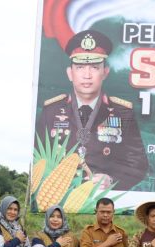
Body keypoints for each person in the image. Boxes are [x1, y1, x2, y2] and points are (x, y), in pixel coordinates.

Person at [35, 29, 148, 191]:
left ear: (105, 72)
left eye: (94, 67)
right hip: (60, 198)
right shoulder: (51, 111)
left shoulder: (122, 112)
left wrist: (112, 180)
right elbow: (38, 159)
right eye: (80, 67)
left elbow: (138, 163)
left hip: (102, 199)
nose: (87, 75)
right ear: (70, 73)